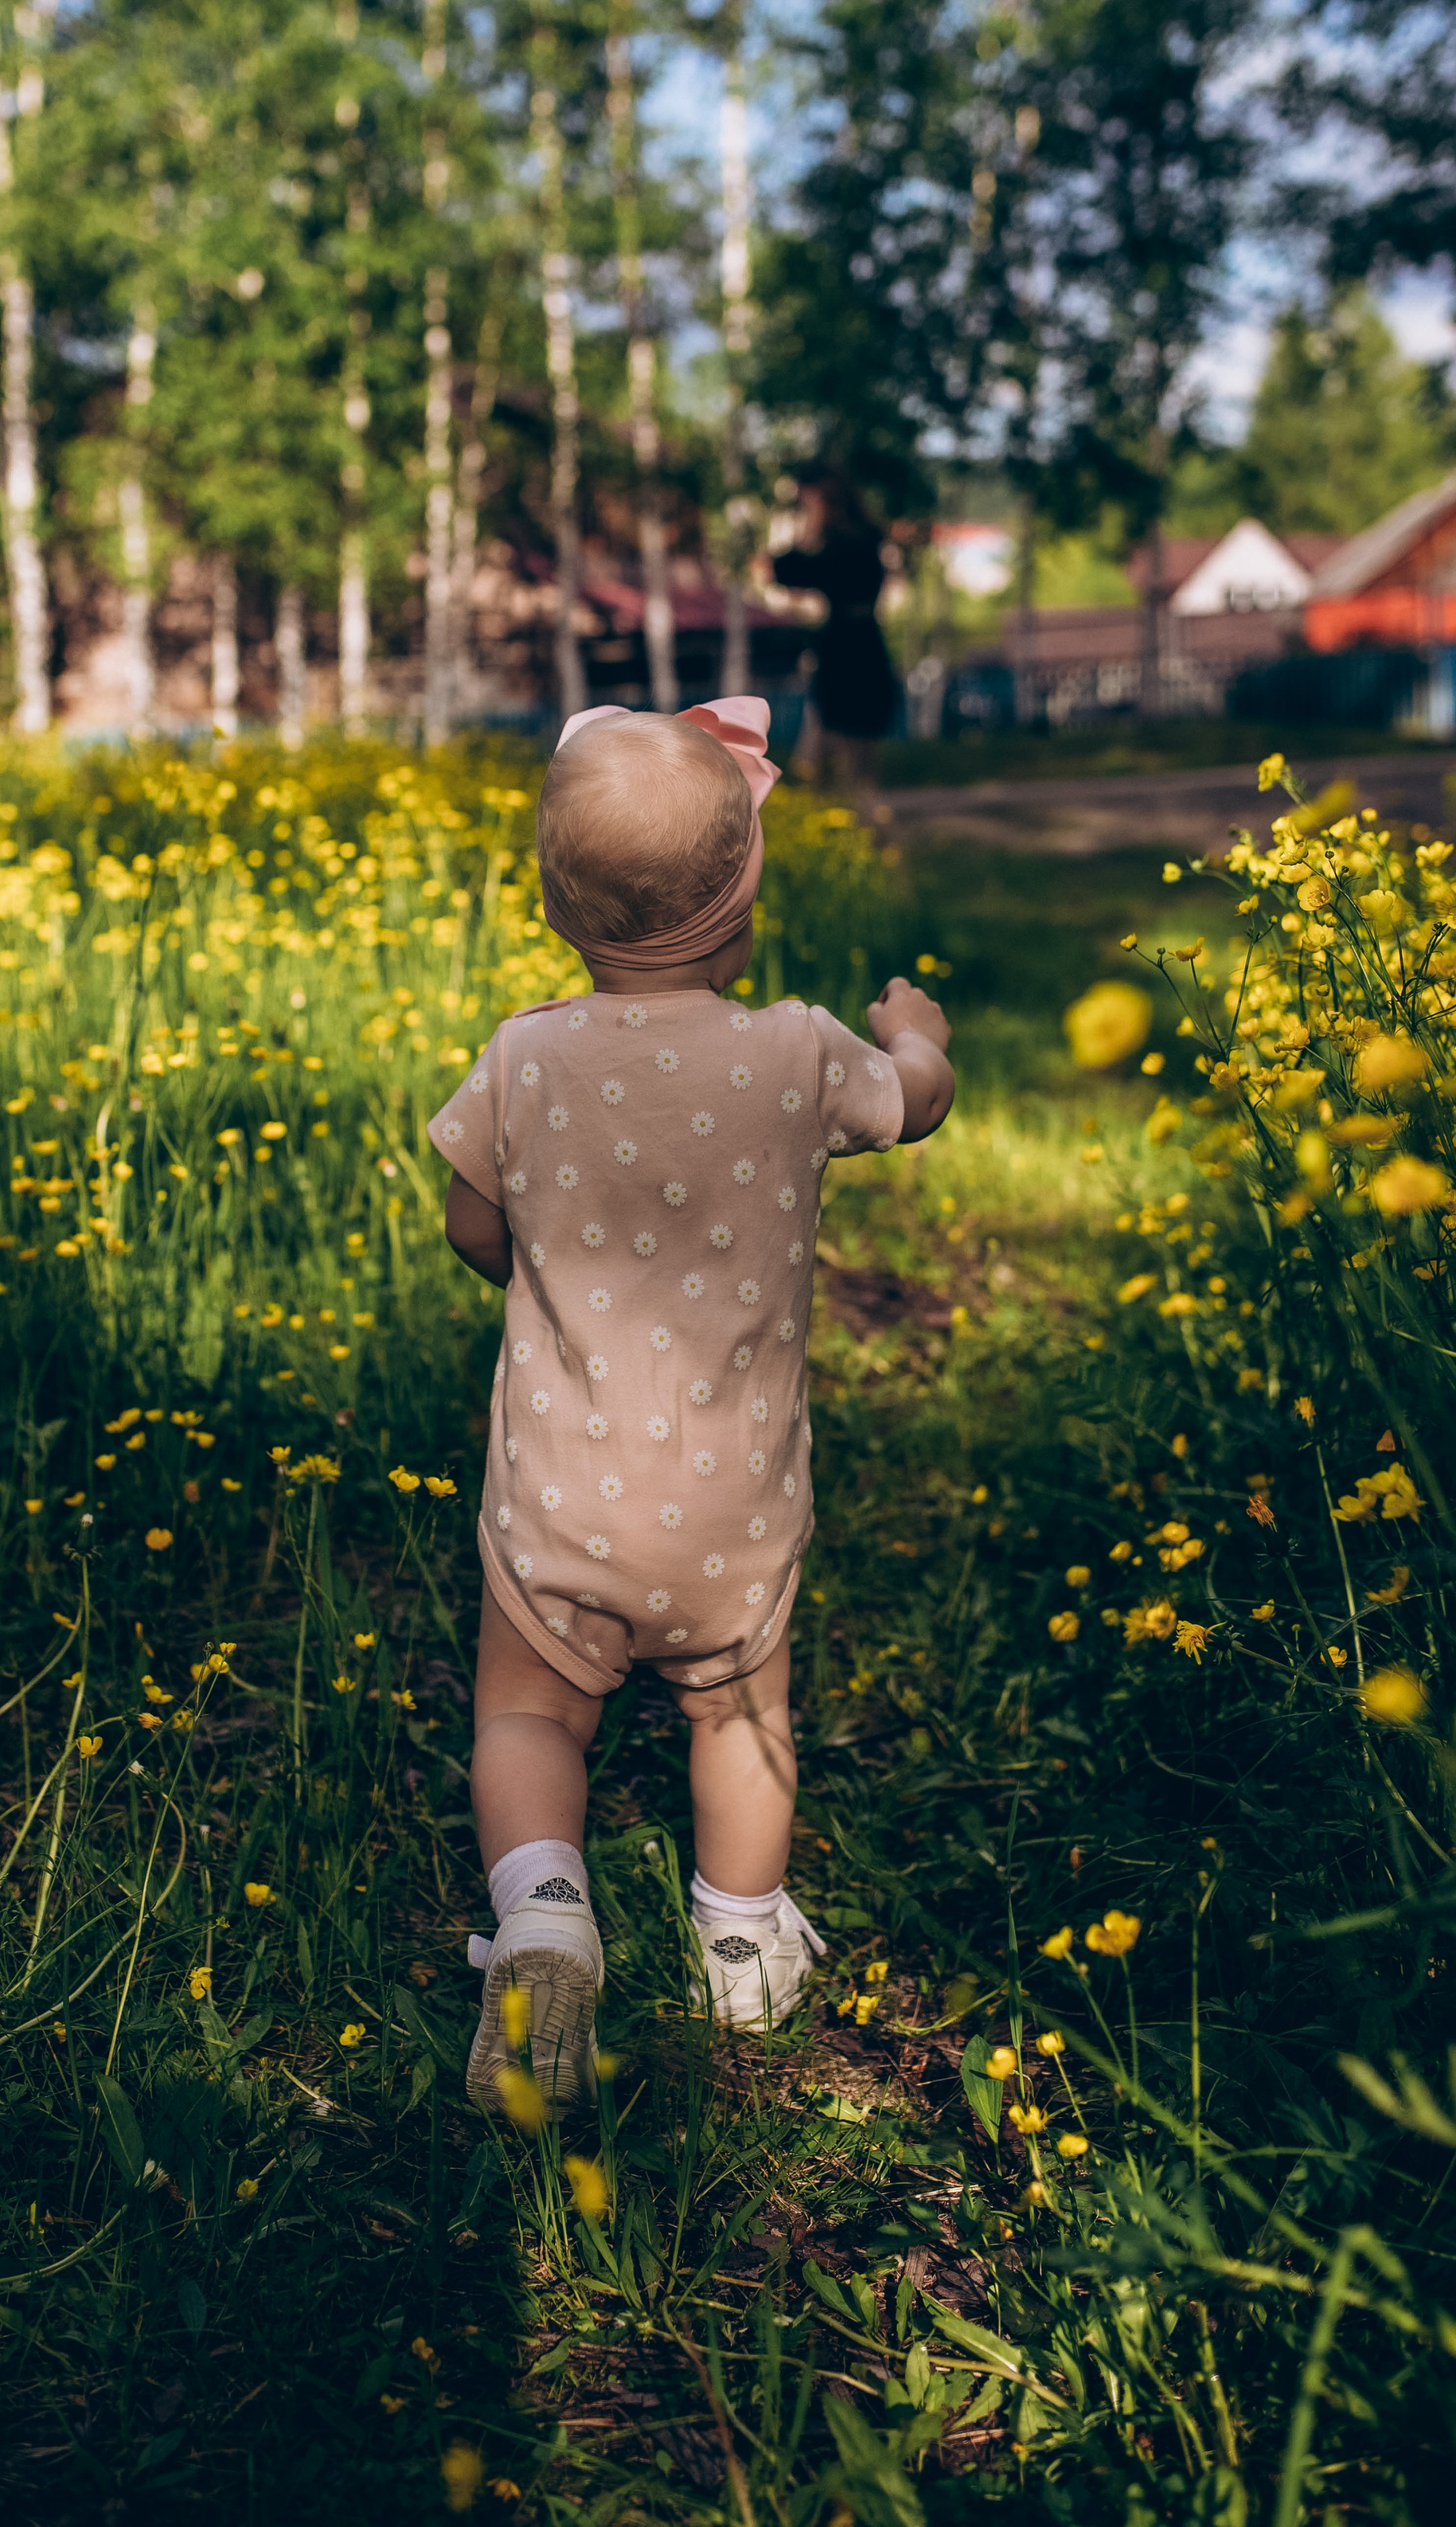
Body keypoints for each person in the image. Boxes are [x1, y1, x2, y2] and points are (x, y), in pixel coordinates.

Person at [427, 698, 954, 2110]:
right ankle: (743, 1945)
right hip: (734, 1513)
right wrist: (919, 1035)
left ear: (552, 901)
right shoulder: (798, 1051)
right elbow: (914, 1103)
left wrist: (533, 1252)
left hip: (559, 1504)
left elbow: (474, 1231)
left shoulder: (522, 1058)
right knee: (740, 1722)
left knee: (529, 1722)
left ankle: (541, 1912)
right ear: (747, 892)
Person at [769, 475, 900, 793]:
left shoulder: (844, 548)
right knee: (858, 769)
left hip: (846, 660)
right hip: (864, 652)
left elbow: (785, 568)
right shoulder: (867, 540)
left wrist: (808, 527)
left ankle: (850, 827)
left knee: (845, 768)